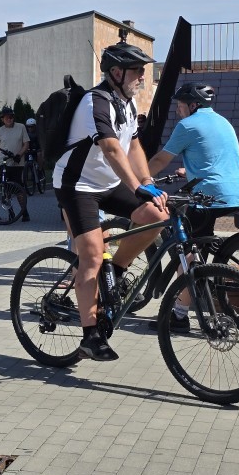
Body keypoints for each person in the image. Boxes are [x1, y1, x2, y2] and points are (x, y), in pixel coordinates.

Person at [52, 41, 168, 361]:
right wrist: (137, 187)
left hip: (108, 183)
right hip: (77, 186)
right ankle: (90, 336)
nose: (142, 76)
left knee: (157, 215)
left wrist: (147, 183)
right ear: (116, 72)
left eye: (143, 71)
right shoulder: (96, 102)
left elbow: (133, 147)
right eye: (137, 70)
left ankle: (115, 271)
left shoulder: (127, 102)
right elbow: (111, 148)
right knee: (91, 256)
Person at [146, 82, 239, 332]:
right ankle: (203, 279)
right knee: (200, 242)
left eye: (180, 105)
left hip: (210, 195)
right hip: (238, 191)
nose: (178, 110)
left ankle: (179, 316)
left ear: (193, 105)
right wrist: (190, 169)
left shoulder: (188, 125)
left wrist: (139, 180)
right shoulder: (223, 122)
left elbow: (160, 159)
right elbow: (215, 157)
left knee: (187, 251)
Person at [0, 106, 31, 222]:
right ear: (2, 119)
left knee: (18, 189)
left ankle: (24, 212)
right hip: (3, 162)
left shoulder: (21, 127)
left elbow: (26, 144)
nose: (9, 119)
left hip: (17, 163)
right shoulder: (0, 131)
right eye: (7, 117)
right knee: (5, 188)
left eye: (11, 117)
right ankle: (10, 211)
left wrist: (19, 154)